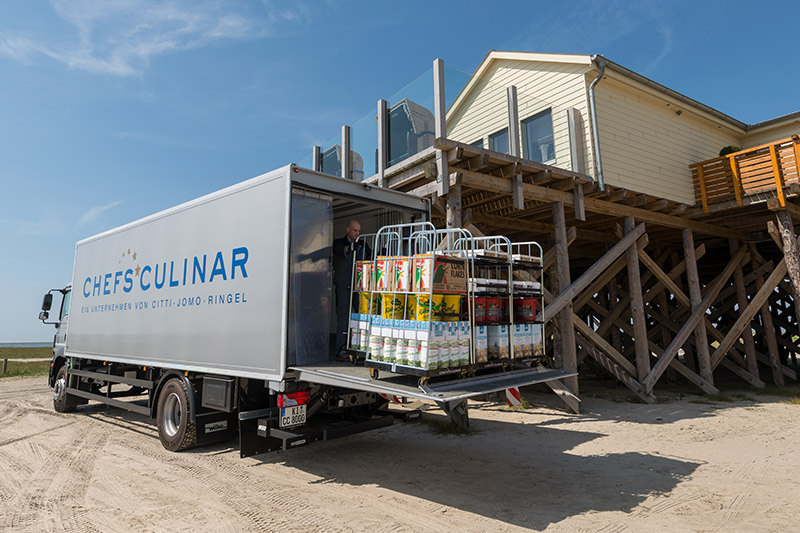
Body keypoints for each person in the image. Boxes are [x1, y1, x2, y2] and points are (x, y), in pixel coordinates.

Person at [332, 219, 371, 359]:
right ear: (348, 229)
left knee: (361, 315)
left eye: (359, 231)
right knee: (343, 318)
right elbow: (340, 250)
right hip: (343, 286)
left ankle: (360, 346)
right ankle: (341, 349)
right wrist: (349, 249)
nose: (357, 233)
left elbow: (370, 258)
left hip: (359, 287)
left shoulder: (363, 245)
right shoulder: (338, 243)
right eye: (355, 230)